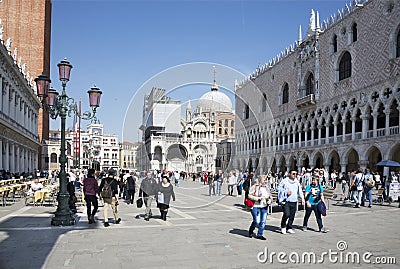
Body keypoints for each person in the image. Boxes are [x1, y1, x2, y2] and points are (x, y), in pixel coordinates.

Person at [278, 169, 305, 234]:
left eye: (296, 174)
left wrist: (302, 198)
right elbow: (279, 189)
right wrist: (286, 192)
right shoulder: (284, 181)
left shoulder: (296, 182)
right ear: (289, 174)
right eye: (293, 174)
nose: (294, 175)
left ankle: (289, 227)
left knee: (292, 215)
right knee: (287, 214)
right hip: (286, 201)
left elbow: (300, 191)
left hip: (294, 201)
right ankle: (283, 226)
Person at [248, 175, 273, 240]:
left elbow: (269, 196)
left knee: (263, 221)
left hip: (264, 206)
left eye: (266, 180)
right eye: (264, 180)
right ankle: (251, 230)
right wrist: (258, 198)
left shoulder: (266, 188)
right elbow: (249, 196)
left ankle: (260, 234)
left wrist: (270, 200)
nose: (265, 181)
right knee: (257, 221)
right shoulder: (255, 187)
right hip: (256, 206)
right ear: (260, 180)